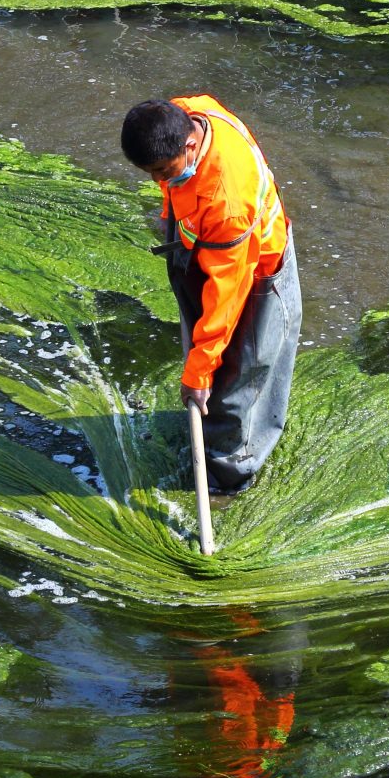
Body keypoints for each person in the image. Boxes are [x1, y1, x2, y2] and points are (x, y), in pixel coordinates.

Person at [120, 94, 299, 492]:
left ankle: (229, 474)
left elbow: (228, 297)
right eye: (150, 173)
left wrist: (199, 373)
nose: (158, 182)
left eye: (164, 171)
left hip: (256, 274)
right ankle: (207, 432)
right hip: (202, 239)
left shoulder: (227, 199)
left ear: (189, 146)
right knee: (211, 364)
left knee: (242, 374)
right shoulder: (189, 111)